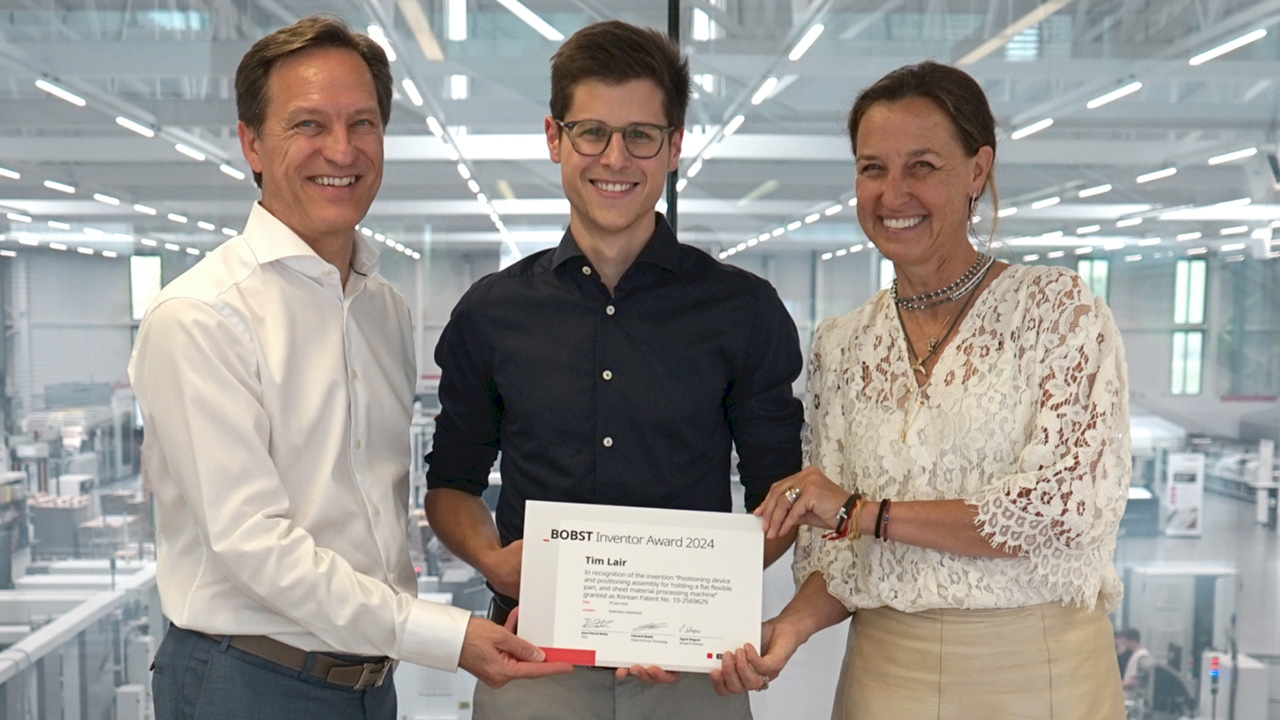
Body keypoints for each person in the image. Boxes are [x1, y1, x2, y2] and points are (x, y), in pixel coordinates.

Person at [129, 15, 568, 720]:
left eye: (363, 123)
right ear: (252, 144)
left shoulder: (381, 309)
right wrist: (443, 633)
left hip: (368, 683)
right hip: (248, 681)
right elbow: (255, 543)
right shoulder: (202, 316)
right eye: (308, 125)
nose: (342, 149)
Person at [711, 61, 1130, 719]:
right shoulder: (841, 344)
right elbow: (836, 552)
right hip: (886, 680)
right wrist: (785, 631)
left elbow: (1060, 508)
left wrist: (864, 511)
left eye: (922, 166)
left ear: (977, 171)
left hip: (1041, 675)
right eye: (872, 168)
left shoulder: (1058, 310)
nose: (892, 192)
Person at [423, 19, 805, 720]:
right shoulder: (490, 313)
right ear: (554, 137)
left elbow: (778, 495)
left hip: (689, 680)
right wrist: (494, 559)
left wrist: (703, 600)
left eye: (641, 135)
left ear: (674, 147)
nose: (615, 157)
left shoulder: (742, 310)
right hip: (534, 667)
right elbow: (450, 485)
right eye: (591, 131)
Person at [1117, 628, 1153, 710]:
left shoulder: (1141, 656)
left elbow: (1134, 681)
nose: (1123, 644)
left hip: (1130, 698)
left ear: (1132, 641)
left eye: (1124, 641)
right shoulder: (1136, 654)